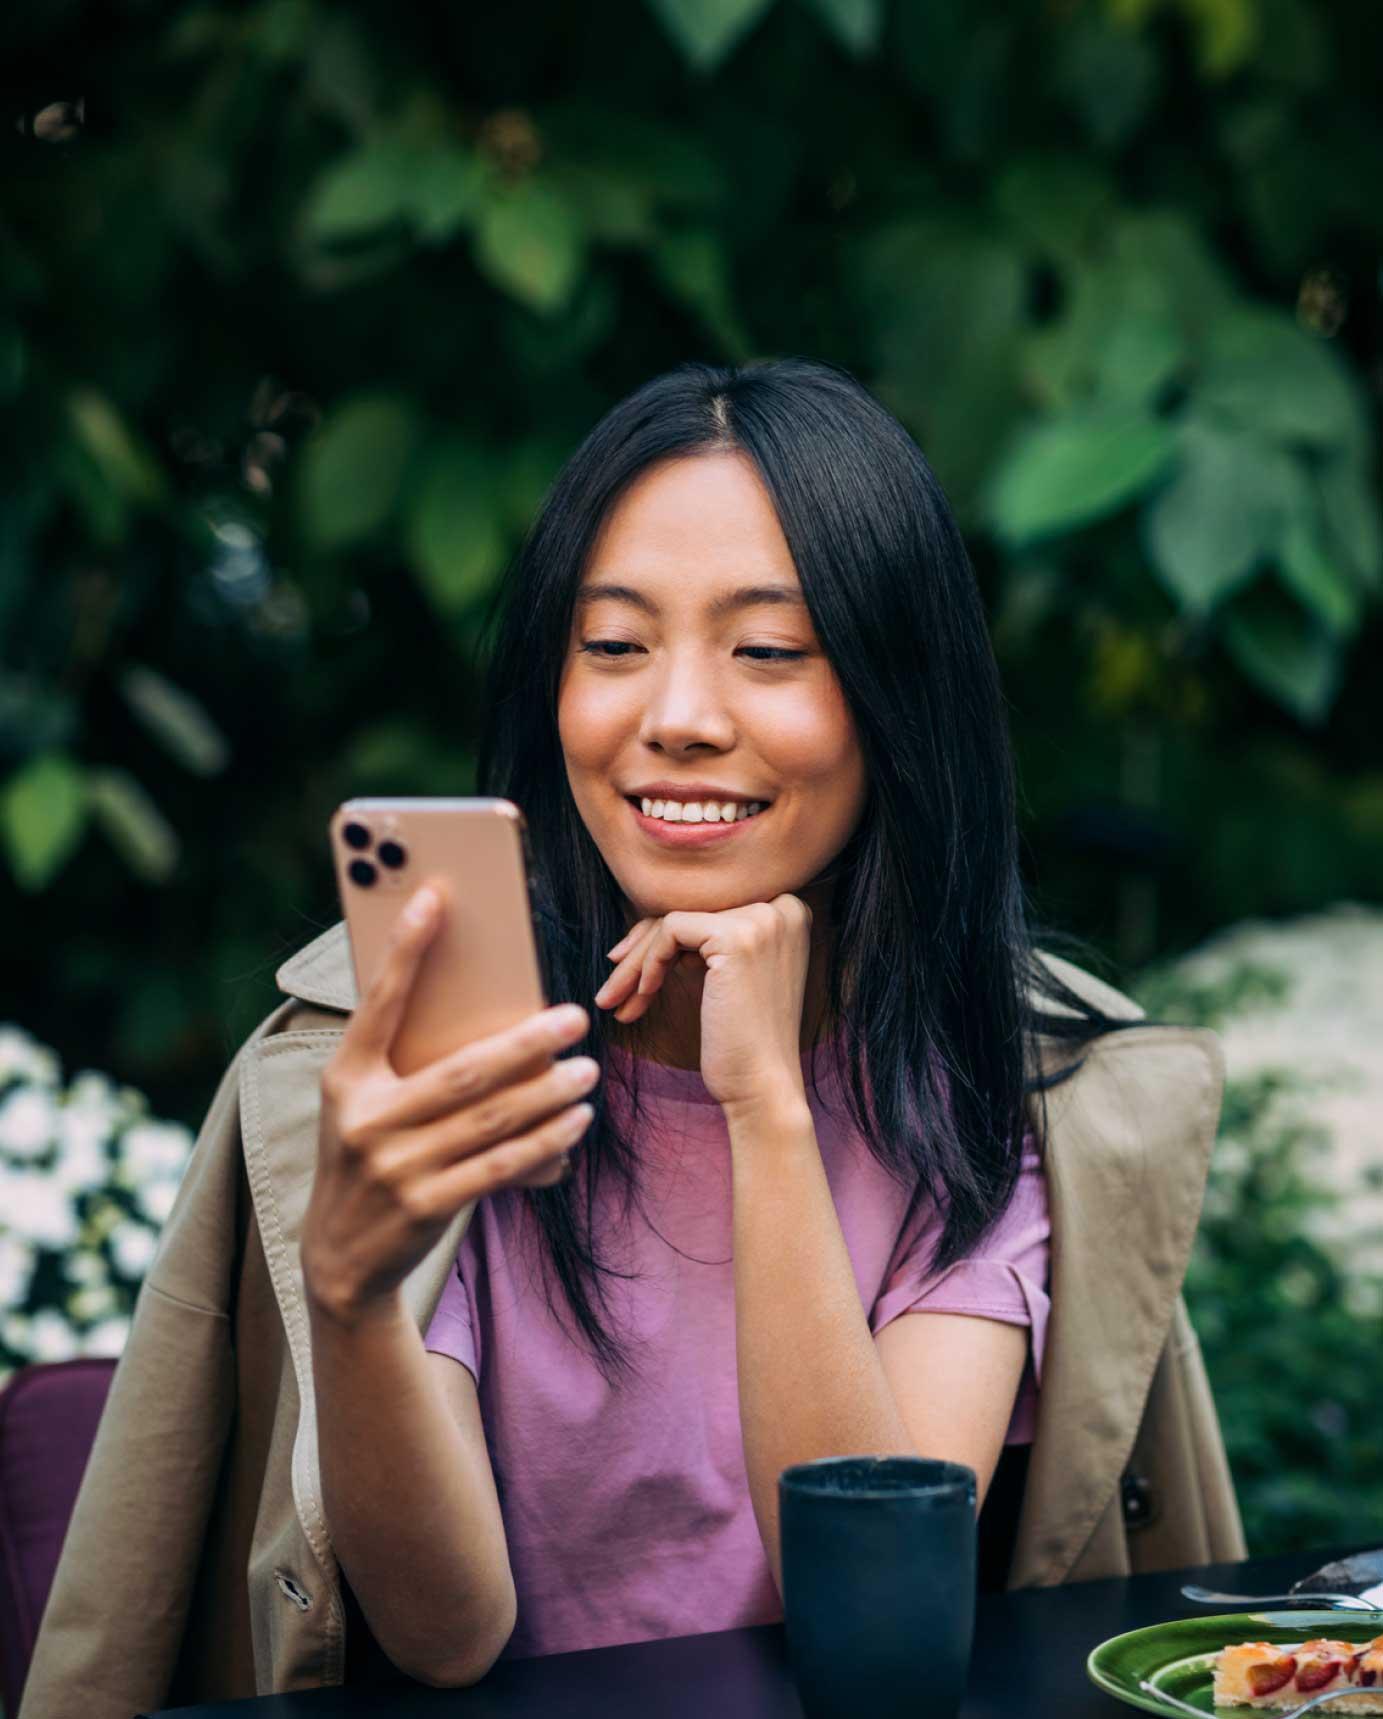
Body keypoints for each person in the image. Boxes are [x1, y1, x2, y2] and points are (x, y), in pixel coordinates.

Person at [297, 357, 1163, 1687]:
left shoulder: (990, 1089)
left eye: (768, 651)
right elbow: (442, 1636)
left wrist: (767, 1108)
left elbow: (871, 1624)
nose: (681, 720)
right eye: (613, 647)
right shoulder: (468, 1059)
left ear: (896, 701)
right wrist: (350, 1297)